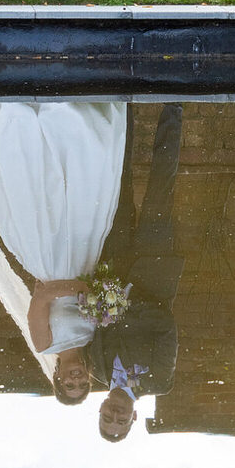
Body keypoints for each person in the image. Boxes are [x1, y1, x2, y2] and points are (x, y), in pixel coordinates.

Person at [0, 101, 126, 405]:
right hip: (84, 256)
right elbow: (57, 295)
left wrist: (84, 290)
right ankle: (74, 124)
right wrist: (102, 292)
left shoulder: (45, 343)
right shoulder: (96, 340)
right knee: (83, 193)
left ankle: (23, 121)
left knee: (39, 193)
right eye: (82, 384)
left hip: (47, 256)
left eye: (69, 383)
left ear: (58, 377)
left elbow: (41, 296)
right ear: (89, 377)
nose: (76, 379)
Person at [87, 103, 185, 440]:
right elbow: (166, 330)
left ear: (99, 412)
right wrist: (126, 307)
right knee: (161, 183)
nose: (114, 414)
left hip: (114, 262)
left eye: (106, 419)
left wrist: (106, 301)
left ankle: (125, 105)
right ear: (133, 417)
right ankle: (173, 106)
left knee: (119, 181)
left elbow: (95, 320)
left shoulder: (96, 368)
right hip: (153, 267)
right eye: (120, 420)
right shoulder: (160, 382)